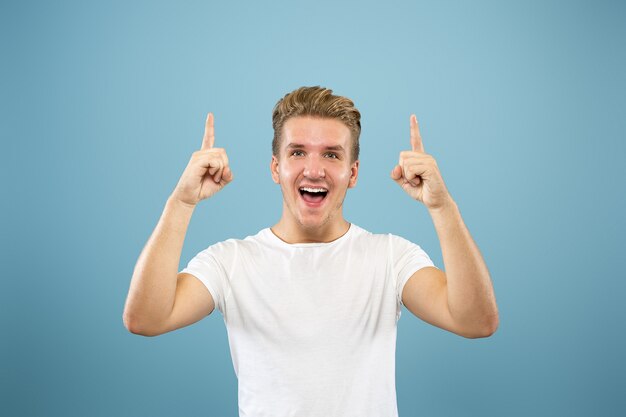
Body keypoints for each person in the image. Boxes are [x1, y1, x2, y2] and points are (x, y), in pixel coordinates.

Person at [123, 86, 499, 417]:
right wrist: (181, 202)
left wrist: (441, 206)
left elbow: (475, 321)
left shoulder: (390, 257)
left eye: (332, 155)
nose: (314, 170)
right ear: (276, 167)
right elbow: (146, 319)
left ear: (353, 173)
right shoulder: (231, 262)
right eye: (298, 152)